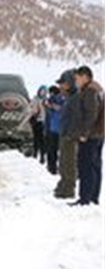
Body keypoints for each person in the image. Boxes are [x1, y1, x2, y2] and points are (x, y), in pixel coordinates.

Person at [70, 66, 104, 206]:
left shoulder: (90, 91)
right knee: (95, 166)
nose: (76, 81)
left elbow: (91, 114)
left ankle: (85, 199)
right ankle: (93, 197)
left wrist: (84, 133)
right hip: (99, 133)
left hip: (90, 135)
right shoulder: (98, 88)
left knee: (86, 166)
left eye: (77, 78)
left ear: (85, 76)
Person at [53, 69, 81, 199]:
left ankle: (68, 189)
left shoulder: (75, 98)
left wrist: (71, 134)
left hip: (70, 136)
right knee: (63, 162)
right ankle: (63, 185)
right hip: (64, 134)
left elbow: (77, 118)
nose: (60, 86)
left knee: (69, 163)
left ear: (70, 83)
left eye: (62, 83)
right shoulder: (69, 98)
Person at [44, 85, 64, 175]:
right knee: (60, 151)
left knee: (52, 150)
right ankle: (57, 168)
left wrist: (50, 107)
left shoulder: (54, 100)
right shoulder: (63, 98)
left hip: (54, 128)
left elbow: (50, 114)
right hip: (59, 128)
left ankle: (52, 168)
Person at [29, 85, 48, 164]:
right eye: (42, 90)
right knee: (36, 138)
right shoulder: (35, 99)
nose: (43, 92)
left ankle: (42, 156)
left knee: (42, 140)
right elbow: (31, 109)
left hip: (44, 121)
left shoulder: (46, 100)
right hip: (36, 121)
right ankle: (35, 154)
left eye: (45, 91)